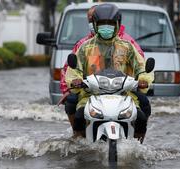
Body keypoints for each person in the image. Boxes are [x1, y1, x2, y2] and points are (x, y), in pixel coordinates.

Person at [65, 4, 153, 142]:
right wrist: (75, 80)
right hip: (90, 94)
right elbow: (74, 69)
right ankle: (79, 143)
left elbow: (141, 66)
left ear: (117, 24)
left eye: (110, 24)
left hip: (124, 93)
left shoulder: (127, 46)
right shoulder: (85, 47)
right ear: (95, 24)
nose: (106, 27)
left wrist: (143, 79)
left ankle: (137, 145)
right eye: (102, 24)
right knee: (79, 116)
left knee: (141, 117)